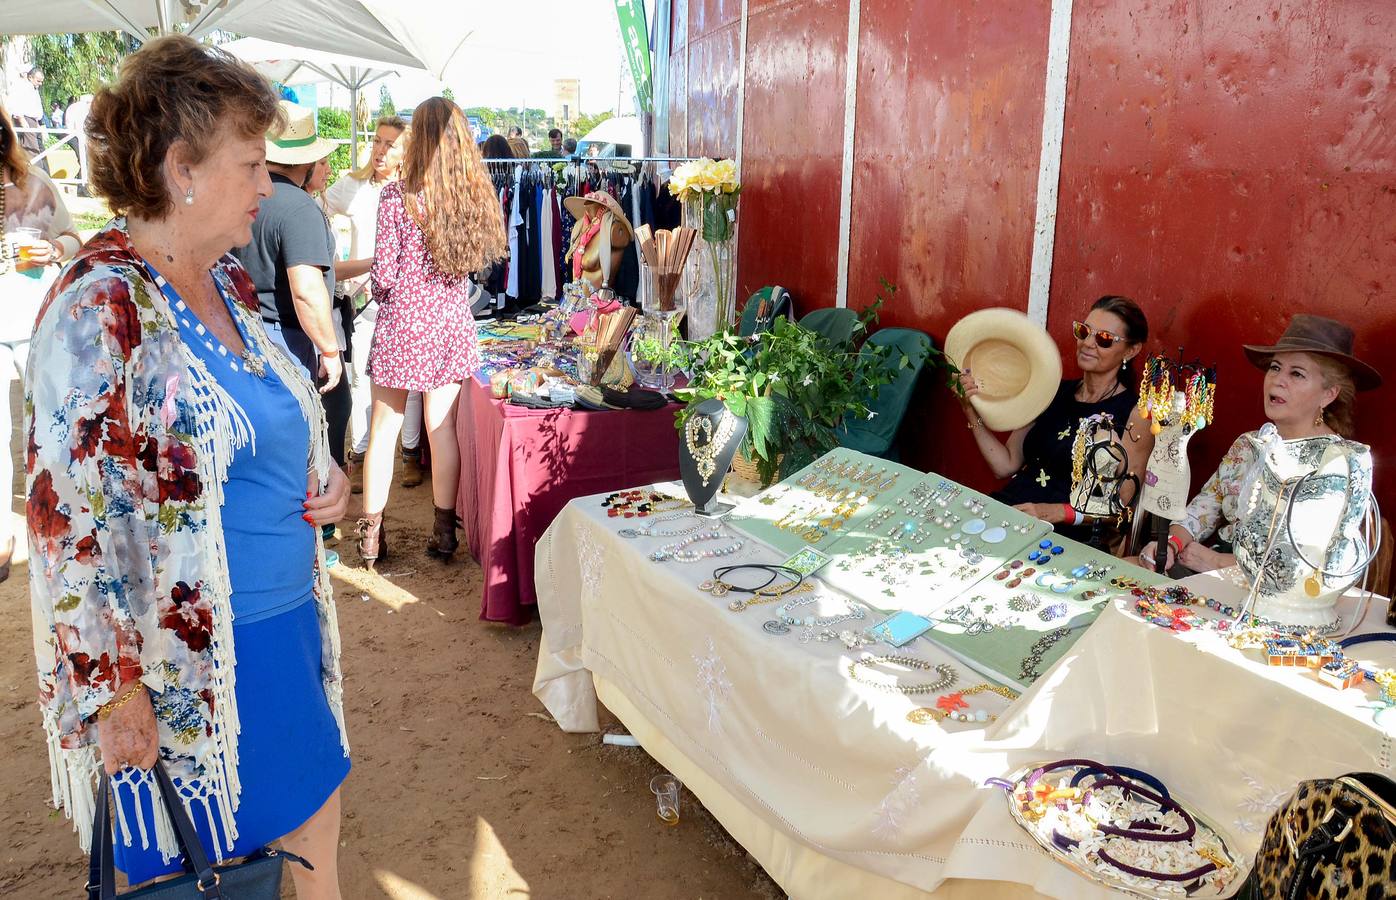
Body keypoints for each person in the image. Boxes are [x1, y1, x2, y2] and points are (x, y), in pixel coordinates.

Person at [25, 35, 349, 895]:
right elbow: (68, 529)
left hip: (283, 643)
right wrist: (113, 693)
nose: (268, 185)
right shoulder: (98, 307)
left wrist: (326, 476)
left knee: (315, 866)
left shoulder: (233, 283)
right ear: (182, 170)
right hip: (178, 676)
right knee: (197, 879)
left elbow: (274, 423)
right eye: (251, 163)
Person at [358, 96, 507, 566]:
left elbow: (383, 276)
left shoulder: (395, 196)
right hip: (449, 324)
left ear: (418, 138)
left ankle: (369, 537)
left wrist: (382, 297)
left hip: (403, 321)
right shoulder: (469, 199)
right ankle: (444, 535)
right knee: (441, 430)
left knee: (383, 431)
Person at [1139, 314, 1381, 574]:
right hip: (1204, 568)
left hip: (1273, 594)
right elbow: (1202, 510)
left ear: (1329, 393)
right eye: (1275, 367)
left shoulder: (1338, 463)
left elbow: (1309, 562)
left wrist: (1219, 563)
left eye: (1297, 373)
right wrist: (1171, 545)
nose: (1278, 379)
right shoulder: (1249, 444)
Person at [957, 296, 1154, 542]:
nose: (1088, 343)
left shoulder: (1136, 413)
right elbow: (1005, 465)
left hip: (1063, 531)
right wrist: (969, 408)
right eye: (1083, 332)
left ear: (1131, 350)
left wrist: (1054, 512)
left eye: (1104, 339)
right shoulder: (1052, 391)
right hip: (1012, 509)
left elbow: (1121, 502)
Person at [321, 115, 427, 493]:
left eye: (390, 144)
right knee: (365, 380)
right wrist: (337, 256)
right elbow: (319, 210)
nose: (380, 150)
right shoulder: (355, 186)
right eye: (377, 142)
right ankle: (360, 453)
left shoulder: (416, 191)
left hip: (408, 300)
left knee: (412, 384)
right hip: (365, 300)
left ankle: (410, 454)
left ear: (406, 152)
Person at [0, 103, 80, 582]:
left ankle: (54, 523)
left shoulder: (36, 188)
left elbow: (74, 238)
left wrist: (52, 249)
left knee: (47, 428)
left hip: (35, 325)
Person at [233, 100, 343, 394]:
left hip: (242, 328)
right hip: (285, 339)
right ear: (306, 162)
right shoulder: (300, 208)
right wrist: (330, 351)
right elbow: (306, 290)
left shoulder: (240, 195)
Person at [7, 68, 46, 164]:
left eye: (41, 81)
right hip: (26, 120)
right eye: (38, 81)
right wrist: (21, 119)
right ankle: (36, 172)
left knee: (37, 148)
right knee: (32, 149)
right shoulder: (22, 87)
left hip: (32, 120)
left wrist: (38, 122)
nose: (40, 84)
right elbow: (16, 104)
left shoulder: (32, 88)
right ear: (30, 77)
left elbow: (35, 107)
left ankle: (42, 172)